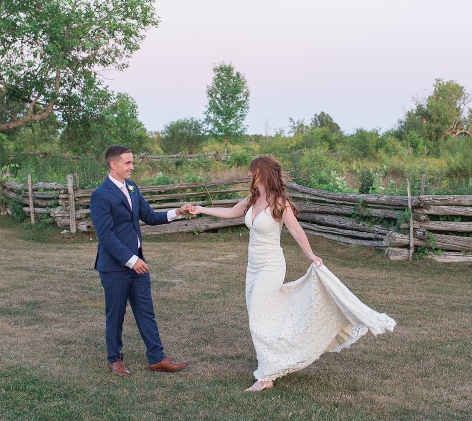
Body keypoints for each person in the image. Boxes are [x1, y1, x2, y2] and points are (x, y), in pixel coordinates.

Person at [188, 156, 396, 392]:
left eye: (251, 171)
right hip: (253, 267)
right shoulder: (252, 199)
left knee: (258, 314)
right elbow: (230, 212)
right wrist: (201, 209)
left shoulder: (279, 203)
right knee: (260, 316)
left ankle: (266, 377)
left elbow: (296, 230)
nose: (248, 175)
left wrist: (311, 256)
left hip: (271, 266)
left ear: (262, 173)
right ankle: (272, 363)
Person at [90, 145, 189, 376]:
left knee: (146, 311)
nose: (132, 167)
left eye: (132, 162)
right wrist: (131, 260)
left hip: (138, 264)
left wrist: (178, 212)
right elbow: (106, 236)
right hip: (114, 267)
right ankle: (115, 359)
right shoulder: (100, 195)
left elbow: (149, 216)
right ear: (113, 165)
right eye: (127, 163)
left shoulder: (133, 187)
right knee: (115, 314)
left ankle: (157, 358)